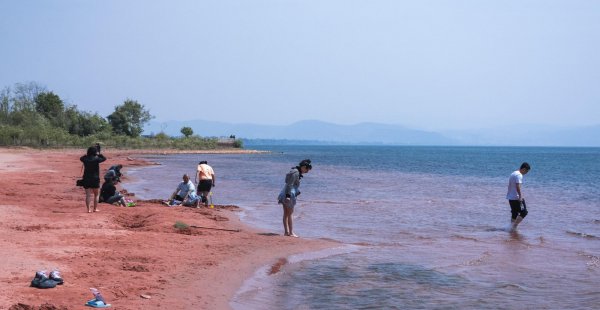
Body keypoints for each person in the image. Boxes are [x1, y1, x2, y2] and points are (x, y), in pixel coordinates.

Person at [277, 159, 312, 237]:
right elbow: (290, 184)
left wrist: (296, 191)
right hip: (289, 194)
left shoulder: (294, 170)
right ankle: (291, 233)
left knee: (286, 214)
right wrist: (288, 196)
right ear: (303, 167)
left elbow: (288, 183)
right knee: (290, 214)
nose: (307, 172)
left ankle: (286, 232)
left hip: (284, 192)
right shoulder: (296, 173)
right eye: (307, 170)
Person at [80, 144, 106, 213]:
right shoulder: (97, 158)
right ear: (95, 152)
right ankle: (95, 208)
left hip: (86, 178)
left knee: (88, 195)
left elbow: (81, 158)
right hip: (95, 178)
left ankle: (88, 209)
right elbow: (104, 158)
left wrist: (86, 154)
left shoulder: (85, 159)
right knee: (96, 194)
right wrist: (99, 154)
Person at [506, 162, 531, 232]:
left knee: (514, 213)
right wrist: (520, 196)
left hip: (510, 197)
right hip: (516, 198)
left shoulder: (513, 173)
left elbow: (509, 185)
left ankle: (510, 228)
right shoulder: (519, 175)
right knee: (524, 212)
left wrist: (509, 194)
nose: (526, 173)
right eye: (527, 171)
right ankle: (514, 226)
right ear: (523, 169)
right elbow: (518, 186)